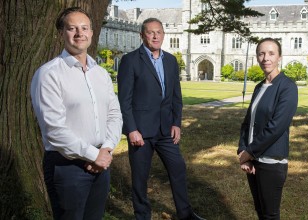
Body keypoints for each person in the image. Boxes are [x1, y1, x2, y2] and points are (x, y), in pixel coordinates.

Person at [30, 7, 123, 220]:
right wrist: (94, 155)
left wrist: (107, 149)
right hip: (67, 166)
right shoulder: (49, 74)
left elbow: (114, 115)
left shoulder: (100, 74)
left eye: (84, 28)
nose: (79, 33)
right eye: (72, 28)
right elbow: (54, 130)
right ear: (61, 33)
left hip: (102, 162)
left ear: (91, 32)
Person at [117, 18, 205, 220]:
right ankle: (142, 216)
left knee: (178, 168)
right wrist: (131, 129)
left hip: (165, 130)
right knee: (140, 178)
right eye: (150, 32)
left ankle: (185, 214)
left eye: (159, 32)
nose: (155, 36)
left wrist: (176, 123)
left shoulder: (170, 61)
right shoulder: (130, 60)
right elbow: (124, 100)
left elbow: (176, 96)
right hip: (140, 132)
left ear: (164, 35)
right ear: (142, 35)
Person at [237, 37, 298, 219]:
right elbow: (248, 122)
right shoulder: (259, 87)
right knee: (260, 211)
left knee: (270, 215)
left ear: (279, 57)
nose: (266, 58)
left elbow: (276, 127)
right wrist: (243, 152)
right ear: (257, 57)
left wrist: (250, 152)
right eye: (261, 53)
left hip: (271, 161)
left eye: (271, 53)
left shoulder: (287, 87)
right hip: (253, 159)